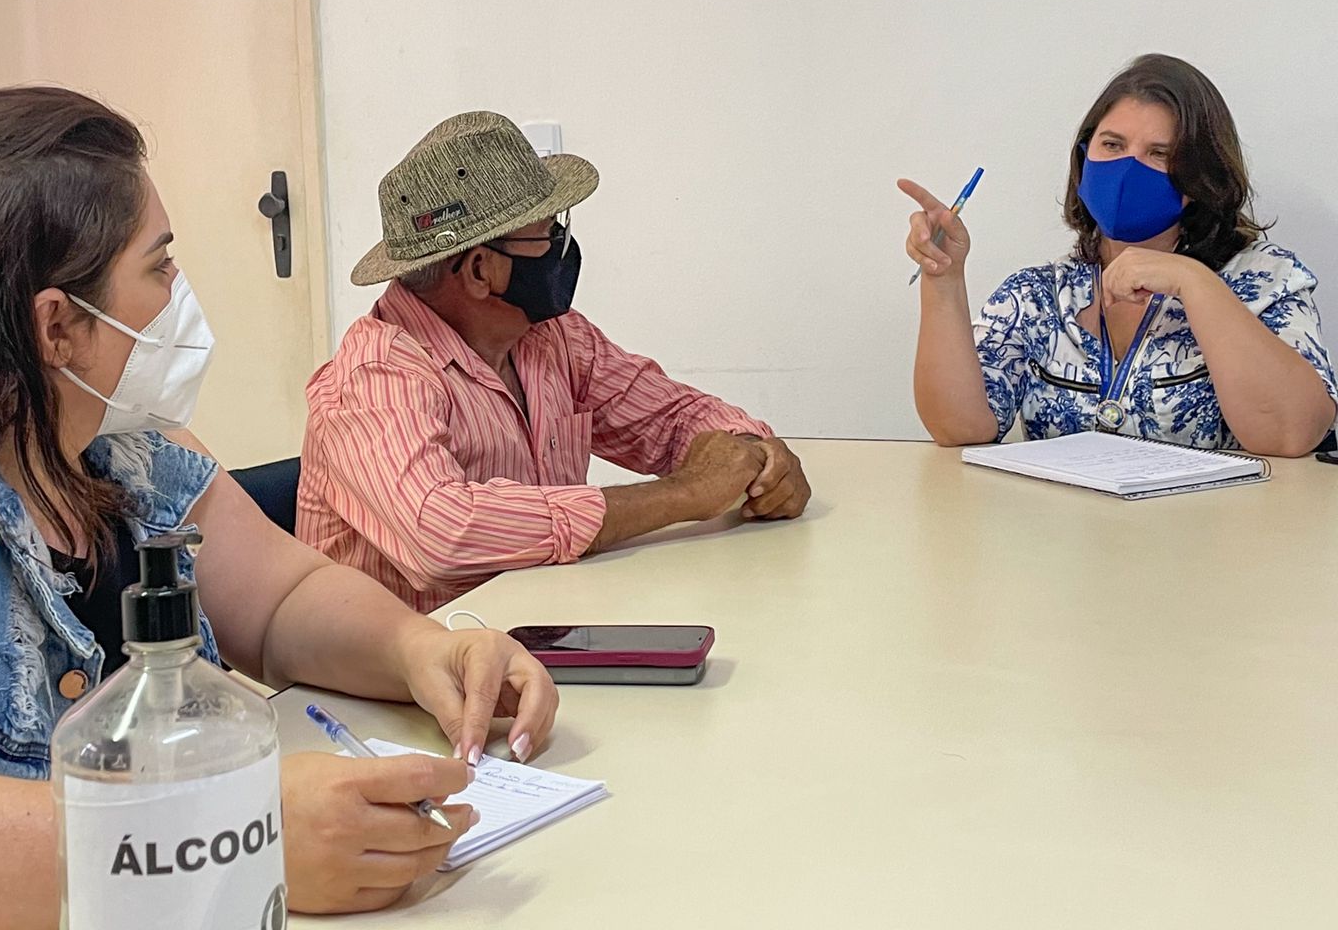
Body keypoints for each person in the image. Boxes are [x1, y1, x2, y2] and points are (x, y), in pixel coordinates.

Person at [0, 88, 559, 927]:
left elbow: (281, 600)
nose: (178, 296)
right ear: (57, 326)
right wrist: (223, 833)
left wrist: (420, 650)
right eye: (158, 267)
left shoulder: (120, 449)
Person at [298, 111, 809, 613]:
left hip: (540, 628)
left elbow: (670, 417)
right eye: (547, 233)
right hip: (417, 659)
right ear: (481, 270)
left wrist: (754, 457)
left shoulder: (551, 336)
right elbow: (443, 534)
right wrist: (684, 494)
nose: (561, 247)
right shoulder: (374, 376)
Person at [901, 53, 1338, 456]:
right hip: (1063, 517)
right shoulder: (1037, 295)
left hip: (1218, 517)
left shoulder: (1265, 280)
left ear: (1200, 174)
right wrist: (943, 277)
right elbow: (958, 427)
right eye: (1112, 145)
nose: (1128, 169)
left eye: (1159, 154)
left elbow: (1291, 434)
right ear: (1084, 157)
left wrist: (1192, 281)